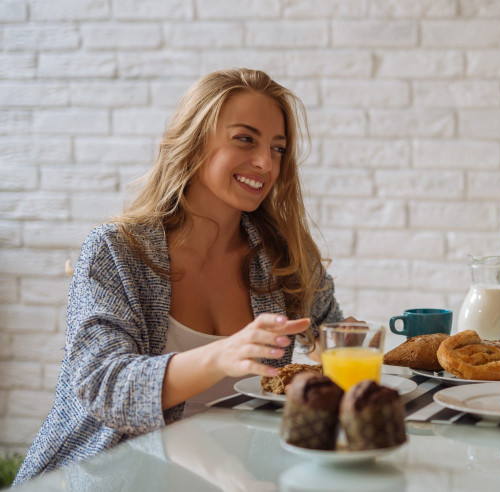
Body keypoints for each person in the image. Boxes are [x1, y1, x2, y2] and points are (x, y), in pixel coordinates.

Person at [15, 69, 344, 484]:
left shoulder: (284, 253)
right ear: (194, 141)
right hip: (115, 478)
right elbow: (101, 385)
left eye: (278, 148)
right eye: (245, 139)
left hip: (245, 478)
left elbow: (337, 339)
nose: (266, 162)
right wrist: (220, 356)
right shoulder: (117, 250)